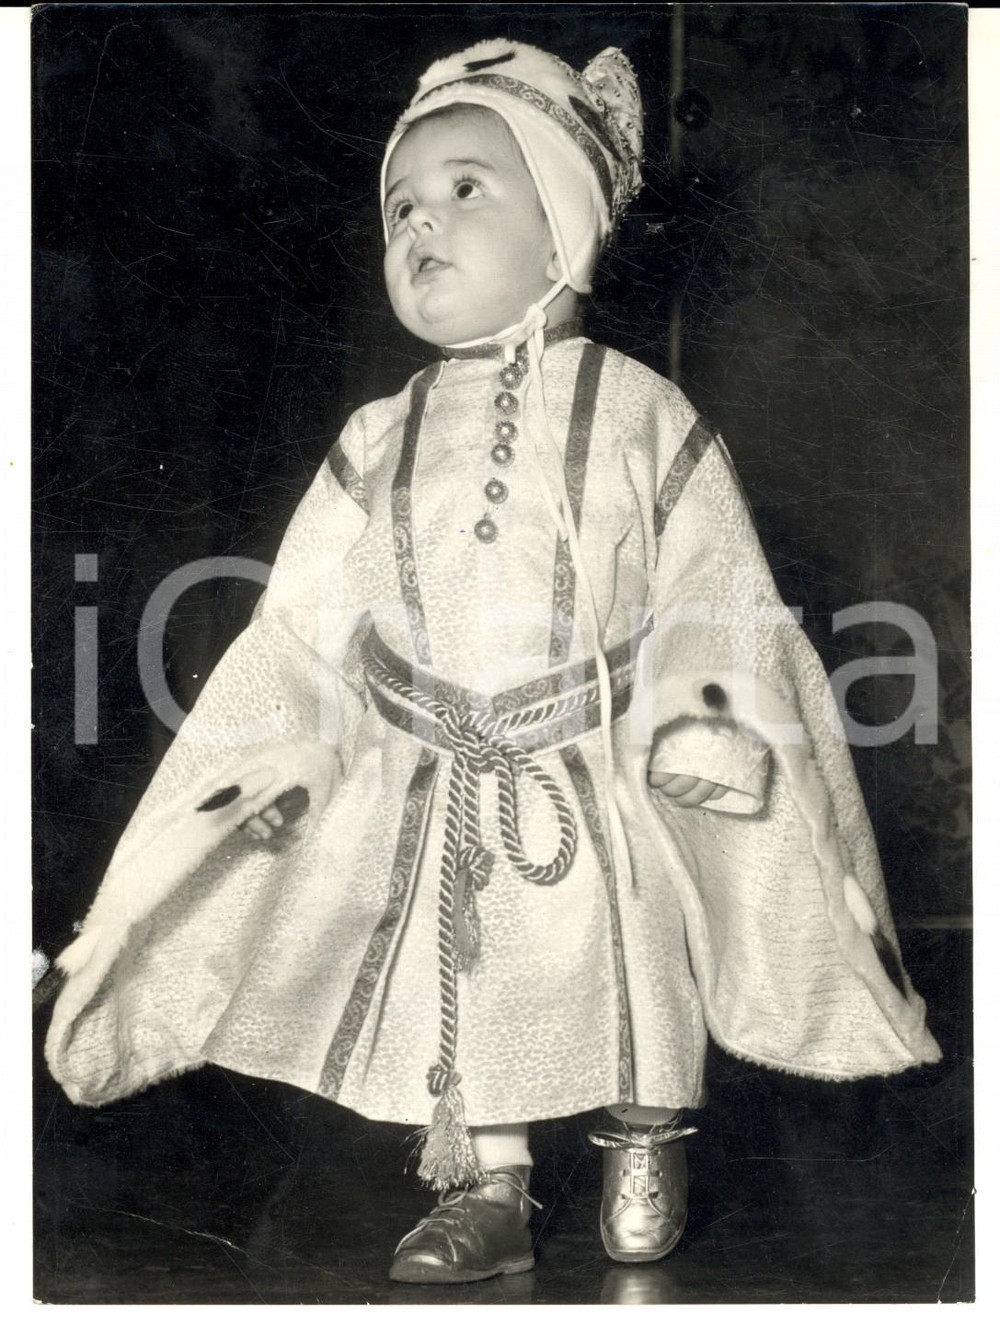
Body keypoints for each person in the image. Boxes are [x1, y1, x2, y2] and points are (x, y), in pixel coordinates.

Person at [45, 38, 941, 1285]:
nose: (421, 223)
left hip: (591, 755)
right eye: (400, 205)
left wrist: (696, 720)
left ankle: (644, 1127)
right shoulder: (374, 436)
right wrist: (293, 746)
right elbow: (304, 621)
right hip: (434, 766)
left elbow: (712, 588)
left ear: (565, 225)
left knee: (624, 948)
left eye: (467, 188)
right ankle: (489, 1177)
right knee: (461, 968)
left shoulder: (644, 414)